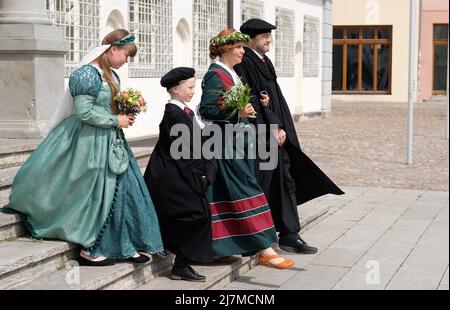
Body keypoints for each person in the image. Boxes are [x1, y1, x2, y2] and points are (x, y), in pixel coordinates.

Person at [1, 29, 164, 266]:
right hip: (88, 141)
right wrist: (114, 120)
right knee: (95, 192)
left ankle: (125, 244)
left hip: (110, 140)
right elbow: (84, 112)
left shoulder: (109, 74)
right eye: (125, 55)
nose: (126, 60)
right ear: (113, 49)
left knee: (124, 190)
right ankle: (91, 249)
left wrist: (122, 115)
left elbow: (105, 106)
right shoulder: (86, 74)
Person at [235, 19, 345, 254]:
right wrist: (273, 126)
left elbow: (269, 96)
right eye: (265, 36)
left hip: (277, 133)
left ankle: (289, 233)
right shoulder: (245, 63)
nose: (269, 39)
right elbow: (249, 98)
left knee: (285, 182)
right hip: (262, 133)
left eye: (269, 35)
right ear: (251, 39)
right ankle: (256, 236)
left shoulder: (263, 60)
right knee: (263, 184)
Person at [198, 28, 294, 269]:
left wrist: (248, 112)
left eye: (242, 47)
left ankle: (219, 247)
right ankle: (264, 248)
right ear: (227, 49)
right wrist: (237, 112)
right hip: (224, 142)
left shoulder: (231, 73)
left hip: (237, 141)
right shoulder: (215, 74)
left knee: (222, 193)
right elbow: (206, 110)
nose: (243, 51)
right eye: (239, 48)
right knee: (245, 188)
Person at [143, 67, 217, 282]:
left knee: (196, 214)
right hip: (173, 176)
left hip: (183, 173)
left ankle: (177, 257)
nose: (194, 91)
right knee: (194, 215)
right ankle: (178, 261)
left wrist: (208, 167)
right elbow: (184, 152)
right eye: (190, 87)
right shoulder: (173, 115)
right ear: (175, 89)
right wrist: (200, 175)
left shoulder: (186, 111)